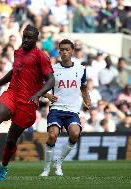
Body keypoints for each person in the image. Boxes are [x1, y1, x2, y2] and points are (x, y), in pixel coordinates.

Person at [0, 24, 55, 180]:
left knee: (10, 140)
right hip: (12, 93)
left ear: (36, 39)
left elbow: (51, 80)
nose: (26, 40)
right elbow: (14, 71)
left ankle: (3, 168)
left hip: (28, 102)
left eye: (30, 37)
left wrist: (38, 94)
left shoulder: (41, 56)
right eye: (25, 36)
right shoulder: (18, 52)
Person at [39, 39, 91, 177]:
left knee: (74, 133)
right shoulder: (53, 69)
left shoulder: (80, 69)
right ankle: (46, 168)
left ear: (72, 50)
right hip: (56, 109)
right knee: (52, 135)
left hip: (72, 110)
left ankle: (59, 162)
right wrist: (48, 95)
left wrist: (87, 100)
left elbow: (84, 88)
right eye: (62, 49)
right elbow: (40, 87)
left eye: (67, 49)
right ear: (59, 51)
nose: (64, 52)